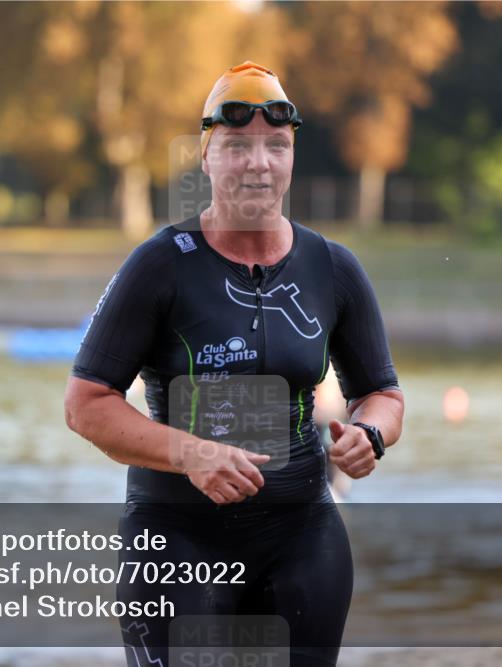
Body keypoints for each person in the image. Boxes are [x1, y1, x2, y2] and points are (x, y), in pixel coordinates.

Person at [64, 61, 404, 667]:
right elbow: (86, 405)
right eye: (237, 146)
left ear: (292, 156)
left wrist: (369, 434)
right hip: (177, 543)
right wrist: (191, 453)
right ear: (207, 156)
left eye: (276, 145)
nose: (258, 162)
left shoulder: (333, 268)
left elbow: (383, 393)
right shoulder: (160, 265)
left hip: (301, 541)